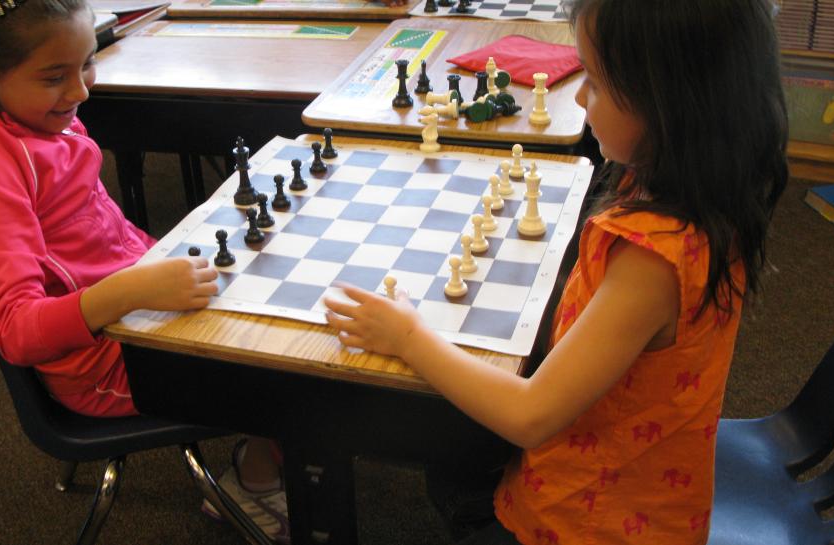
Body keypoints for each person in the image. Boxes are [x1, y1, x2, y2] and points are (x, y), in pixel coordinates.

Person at [324, 0, 788, 543]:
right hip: (634, 485)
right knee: (457, 439)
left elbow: (530, 416)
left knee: (442, 442)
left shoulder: (651, 262)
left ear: (669, 102)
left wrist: (408, 335)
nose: (580, 97)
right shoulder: (701, 196)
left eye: (595, 80)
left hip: (585, 524)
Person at [0, 1, 288, 541]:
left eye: (86, 65)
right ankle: (256, 483)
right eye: (55, 76)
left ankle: (268, 444)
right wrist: (130, 289)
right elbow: (17, 332)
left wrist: (154, 268)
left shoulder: (43, 120)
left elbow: (103, 234)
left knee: (276, 293)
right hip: (98, 363)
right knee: (287, 360)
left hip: (130, 309)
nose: (80, 92)